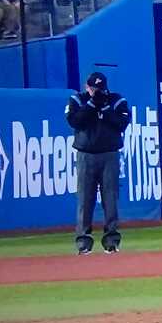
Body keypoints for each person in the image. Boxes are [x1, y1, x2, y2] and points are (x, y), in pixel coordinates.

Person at [65, 71, 130, 254]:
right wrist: (92, 104)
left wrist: (105, 108)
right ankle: (83, 241)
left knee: (110, 198)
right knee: (85, 199)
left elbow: (122, 123)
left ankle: (111, 240)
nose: (97, 92)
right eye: (93, 88)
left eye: (100, 89)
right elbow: (75, 121)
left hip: (109, 154)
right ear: (87, 87)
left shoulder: (116, 100)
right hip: (86, 155)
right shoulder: (78, 100)